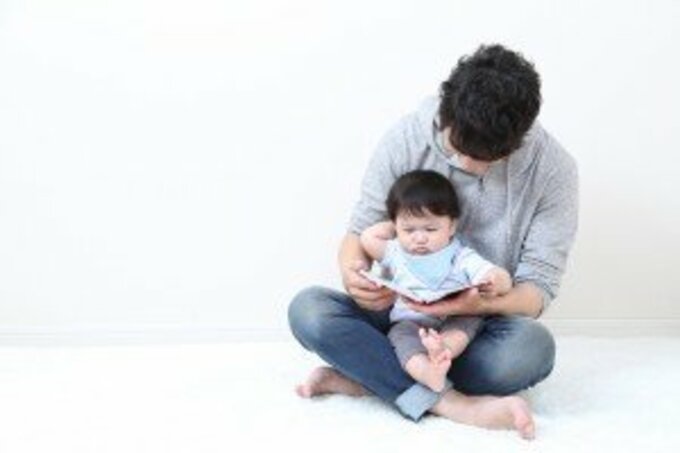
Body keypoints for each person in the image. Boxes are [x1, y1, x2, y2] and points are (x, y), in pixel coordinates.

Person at [288, 44, 578, 440]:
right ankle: (451, 402)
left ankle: (370, 376)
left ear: (519, 139)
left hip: (473, 324)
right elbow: (360, 232)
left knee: (530, 351)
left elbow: (536, 291)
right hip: (400, 310)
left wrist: (476, 303)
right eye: (459, 150)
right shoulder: (408, 137)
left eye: (489, 158)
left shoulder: (554, 170)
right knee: (309, 310)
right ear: (447, 114)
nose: (470, 166)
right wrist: (353, 273)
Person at [360, 170, 513, 394]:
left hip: (454, 317)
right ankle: (427, 372)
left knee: (467, 324)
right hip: (411, 321)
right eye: (409, 230)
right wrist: (398, 222)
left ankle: (442, 351)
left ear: (451, 227)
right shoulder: (395, 252)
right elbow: (367, 238)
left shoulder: (460, 256)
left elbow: (498, 275)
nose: (420, 238)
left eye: (430, 229)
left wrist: (495, 281)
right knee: (401, 337)